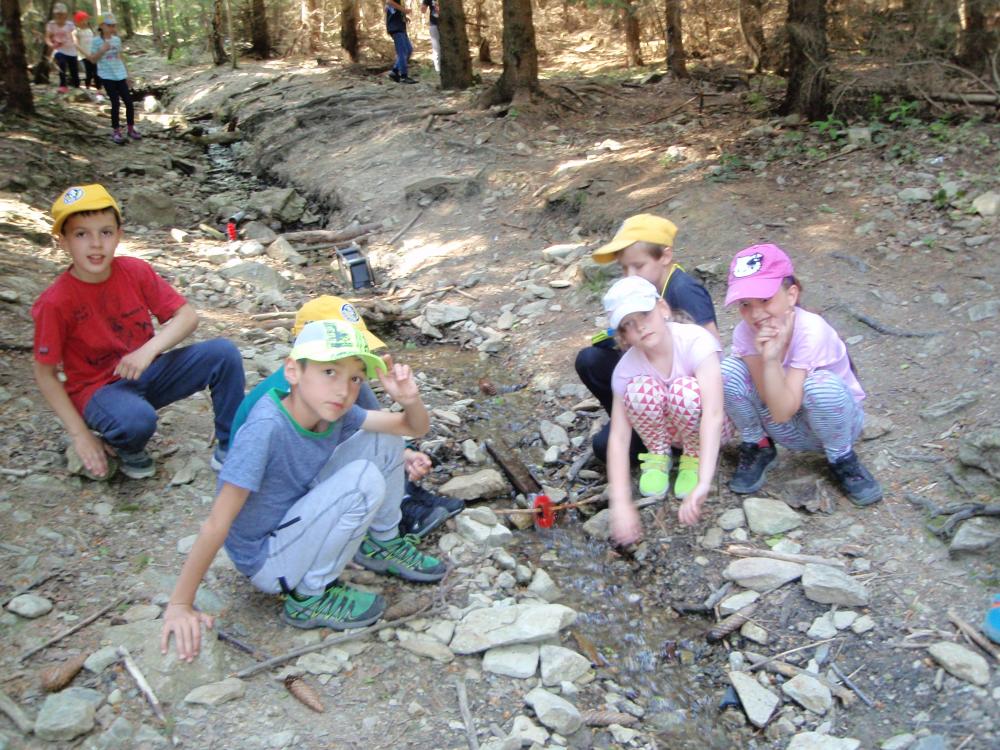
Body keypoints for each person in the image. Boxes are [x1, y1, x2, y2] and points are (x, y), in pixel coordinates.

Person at [161, 320, 448, 660]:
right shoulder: (266, 428)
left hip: (294, 517)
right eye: (329, 372)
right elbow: (216, 523)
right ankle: (310, 596)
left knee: (385, 439)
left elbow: (410, 426)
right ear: (293, 371)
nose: (343, 390)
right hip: (267, 559)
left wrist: (410, 400)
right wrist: (180, 604)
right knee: (363, 481)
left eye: (355, 378)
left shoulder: (334, 411)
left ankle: (382, 544)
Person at [32, 184, 245, 480]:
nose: (96, 244)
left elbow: (187, 316)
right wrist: (80, 435)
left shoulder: (134, 271)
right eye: (81, 234)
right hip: (97, 391)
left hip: (146, 372)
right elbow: (45, 374)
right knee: (136, 421)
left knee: (223, 353)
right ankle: (124, 443)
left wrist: (148, 350)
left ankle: (230, 445)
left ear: (119, 235)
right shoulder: (55, 303)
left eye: (106, 232)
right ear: (63, 241)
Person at [230, 295, 464, 538]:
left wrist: (402, 452)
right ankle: (388, 517)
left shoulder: (339, 382)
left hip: (308, 461)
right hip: (280, 487)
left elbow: (378, 425)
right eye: (332, 367)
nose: (348, 379)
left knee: (378, 429)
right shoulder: (291, 399)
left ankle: (403, 494)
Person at [721, 243, 882, 506]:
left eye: (765, 299)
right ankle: (758, 445)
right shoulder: (745, 332)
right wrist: (769, 360)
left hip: (832, 425)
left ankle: (842, 458)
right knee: (727, 371)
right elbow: (775, 408)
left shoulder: (811, 330)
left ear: (791, 295)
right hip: (784, 421)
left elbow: (782, 411)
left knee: (820, 386)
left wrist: (771, 359)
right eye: (745, 304)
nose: (756, 313)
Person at [575, 214, 719, 468]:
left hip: (685, 394)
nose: (630, 275)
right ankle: (634, 419)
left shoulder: (683, 290)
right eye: (624, 268)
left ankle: (679, 442)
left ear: (665, 256)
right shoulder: (640, 289)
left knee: (603, 447)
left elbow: (712, 350)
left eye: (638, 266)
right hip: (653, 380)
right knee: (590, 360)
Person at [603, 277, 728, 544]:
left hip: (710, 426)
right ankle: (659, 455)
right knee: (638, 390)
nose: (640, 327)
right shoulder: (626, 369)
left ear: (662, 308)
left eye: (645, 315)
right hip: (668, 431)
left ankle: (693, 458)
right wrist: (621, 502)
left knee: (684, 390)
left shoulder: (696, 341)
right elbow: (619, 436)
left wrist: (704, 481)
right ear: (623, 336)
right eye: (629, 324)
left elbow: (714, 414)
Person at [89, 14, 139, 144]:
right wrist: (102, 50)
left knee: (129, 102)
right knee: (115, 103)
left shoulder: (117, 40)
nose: (112, 28)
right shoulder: (95, 41)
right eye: (109, 25)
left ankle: (131, 128)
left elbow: (120, 57)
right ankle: (116, 131)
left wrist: (127, 75)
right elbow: (93, 60)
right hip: (107, 76)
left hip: (120, 75)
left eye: (114, 25)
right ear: (101, 26)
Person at [45, 3, 79, 93]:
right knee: (61, 64)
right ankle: (63, 85)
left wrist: (75, 41)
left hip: (71, 50)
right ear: (55, 14)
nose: (59, 16)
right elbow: (47, 37)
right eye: (58, 14)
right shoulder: (51, 24)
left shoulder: (70, 24)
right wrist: (51, 45)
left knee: (74, 71)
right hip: (59, 49)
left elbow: (74, 35)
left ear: (65, 14)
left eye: (61, 14)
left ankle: (76, 87)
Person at [385, 0, 416, 84]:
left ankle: (394, 71)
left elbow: (392, 9)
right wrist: (404, 10)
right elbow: (389, 1)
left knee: (409, 50)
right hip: (395, 28)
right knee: (403, 52)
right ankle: (403, 76)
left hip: (400, 27)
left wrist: (404, 16)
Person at [74, 11, 100, 92]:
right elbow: (76, 45)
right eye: (84, 19)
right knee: (89, 73)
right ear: (79, 21)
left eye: (86, 19)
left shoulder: (90, 30)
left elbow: (94, 41)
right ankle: (88, 88)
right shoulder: (76, 31)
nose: (86, 21)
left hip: (93, 54)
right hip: (84, 56)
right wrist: (86, 54)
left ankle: (99, 89)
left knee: (96, 73)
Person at [422, 0, 440, 73]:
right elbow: (423, 10)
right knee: (436, 48)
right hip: (434, 24)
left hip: (448, 24)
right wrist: (423, 5)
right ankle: (438, 70)